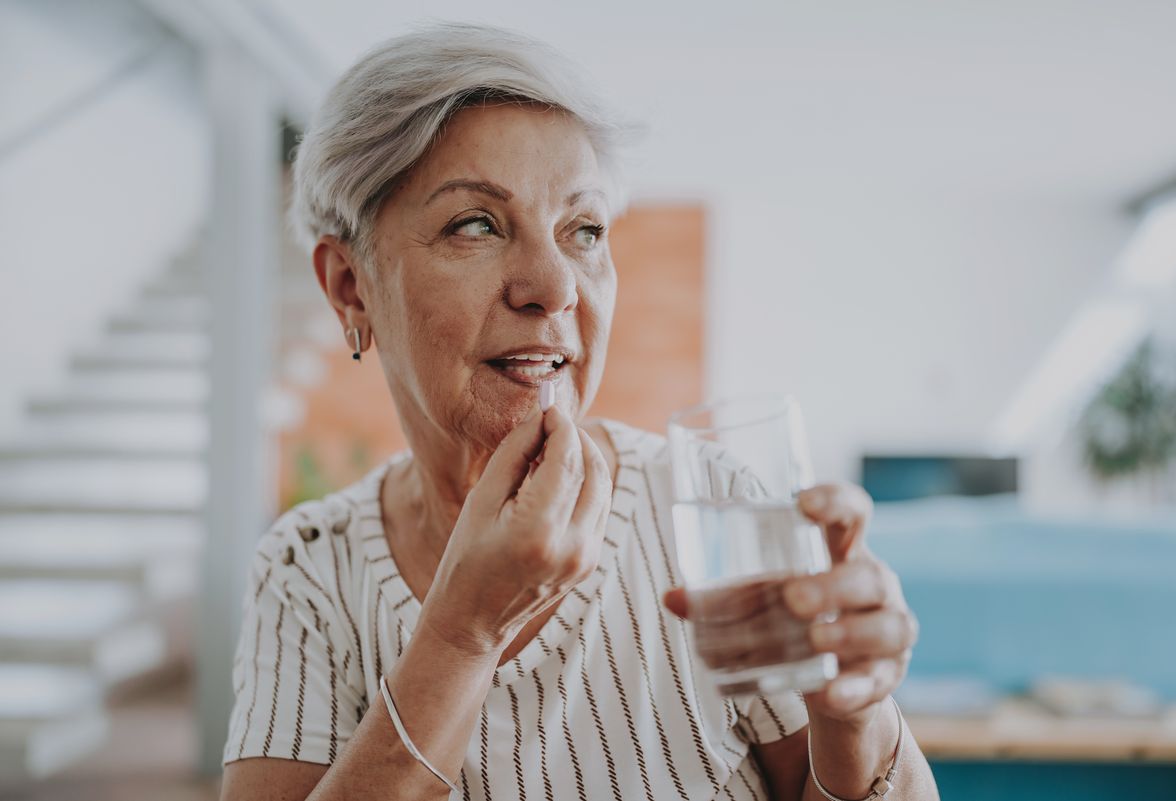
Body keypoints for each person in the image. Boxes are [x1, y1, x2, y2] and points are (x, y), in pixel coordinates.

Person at [219, 21, 938, 801]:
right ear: (349, 286)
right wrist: (462, 634)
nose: (553, 285)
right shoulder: (309, 570)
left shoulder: (706, 509)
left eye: (583, 230)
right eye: (476, 224)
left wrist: (856, 716)